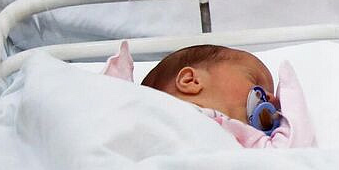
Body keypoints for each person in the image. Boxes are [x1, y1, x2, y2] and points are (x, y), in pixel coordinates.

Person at [105, 42, 313, 149]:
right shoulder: (141, 113)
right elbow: (103, 114)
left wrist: (289, 105)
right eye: (255, 82)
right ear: (190, 81)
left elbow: (290, 155)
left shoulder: (243, 137)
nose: (271, 100)